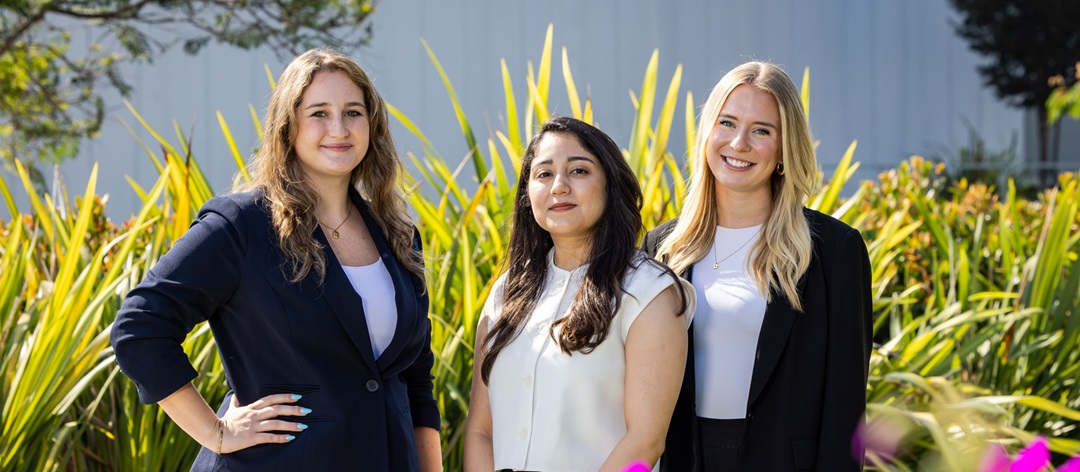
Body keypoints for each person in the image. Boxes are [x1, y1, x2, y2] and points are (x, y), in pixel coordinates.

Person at [110, 48, 442, 471]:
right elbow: (140, 326)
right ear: (288, 127)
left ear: (372, 126)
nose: (338, 128)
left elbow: (415, 378)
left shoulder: (398, 236)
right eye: (319, 113)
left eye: (353, 112)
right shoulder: (242, 225)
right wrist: (216, 431)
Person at [642, 61, 872, 471]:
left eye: (762, 130)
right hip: (683, 458)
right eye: (727, 123)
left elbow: (845, 404)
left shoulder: (834, 251)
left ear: (785, 149)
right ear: (707, 134)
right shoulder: (662, 247)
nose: (739, 143)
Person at [462, 116, 696, 472]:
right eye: (543, 174)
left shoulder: (649, 293)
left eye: (579, 171)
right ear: (528, 195)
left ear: (609, 185)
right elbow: (481, 431)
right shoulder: (506, 293)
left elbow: (646, 441)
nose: (559, 186)